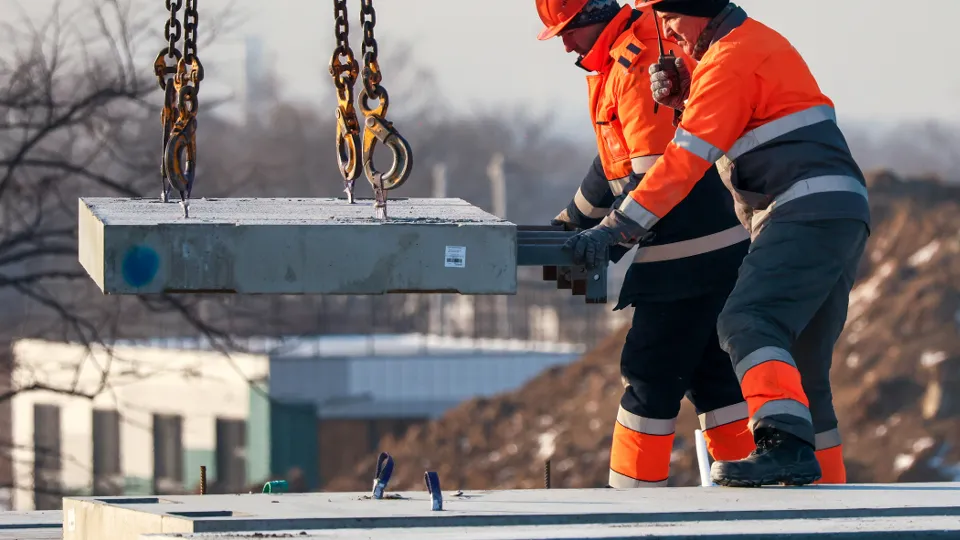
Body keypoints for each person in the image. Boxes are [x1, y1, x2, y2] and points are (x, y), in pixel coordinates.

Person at [566, 0, 870, 486]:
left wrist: (617, 228)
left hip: (802, 208)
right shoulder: (750, 47)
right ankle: (824, 494)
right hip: (842, 208)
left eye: (669, 21)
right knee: (804, 367)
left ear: (699, 10)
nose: (668, 34)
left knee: (747, 319)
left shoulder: (727, 60)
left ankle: (785, 447)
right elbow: (745, 123)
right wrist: (688, 98)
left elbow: (683, 162)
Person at [535, 0, 755, 488]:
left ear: (595, 17)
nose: (566, 44)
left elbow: (654, 180)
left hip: (686, 253)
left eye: (569, 32)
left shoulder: (635, 61)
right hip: (713, 253)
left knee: (649, 376)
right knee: (716, 380)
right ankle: (751, 493)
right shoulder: (617, 58)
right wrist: (570, 225)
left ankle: (633, 507)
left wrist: (606, 240)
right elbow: (611, 166)